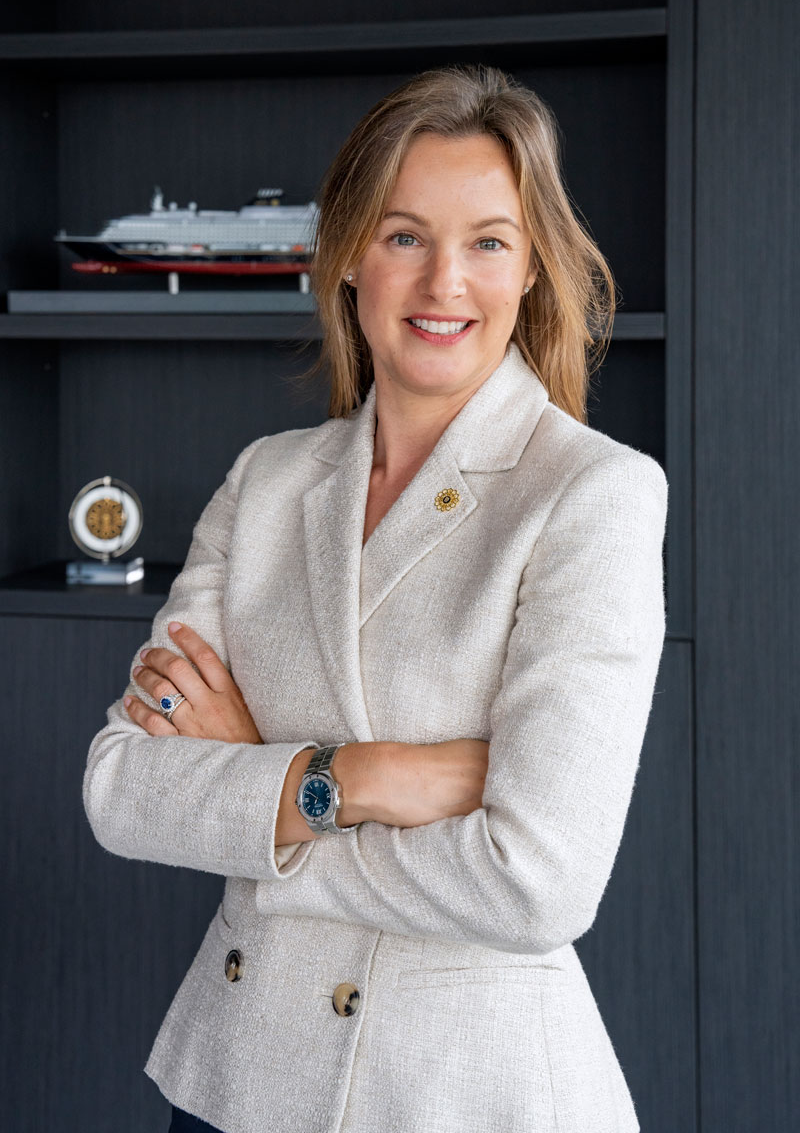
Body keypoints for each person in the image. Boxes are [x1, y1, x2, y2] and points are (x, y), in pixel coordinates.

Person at [83, 64, 668, 1133]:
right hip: (234, 1075)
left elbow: (538, 882)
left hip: (455, 1091)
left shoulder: (592, 494)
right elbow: (122, 787)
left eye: (487, 241)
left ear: (530, 266)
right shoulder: (267, 480)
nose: (445, 281)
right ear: (350, 254)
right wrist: (366, 777)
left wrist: (265, 799)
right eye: (405, 236)